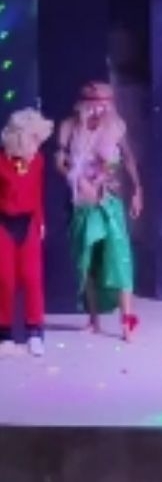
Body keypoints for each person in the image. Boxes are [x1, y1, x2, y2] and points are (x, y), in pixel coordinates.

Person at [55, 81, 143, 342]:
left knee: (119, 257)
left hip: (109, 200)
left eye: (105, 104)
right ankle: (93, 319)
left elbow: (126, 158)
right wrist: (77, 179)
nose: (99, 110)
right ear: (83, 105)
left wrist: (138, 190)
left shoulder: (116, 126)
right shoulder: (69, 127)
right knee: (87, 258)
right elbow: (60, 161)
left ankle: (128, 322)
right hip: (82, 201)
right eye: (94, 105)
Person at [0, 109, 53, 357]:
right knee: (5, 280)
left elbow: (37, 193)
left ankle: (35, 332)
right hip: (3, 223)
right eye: (34, 138)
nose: (38, 144)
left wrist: (40, 222)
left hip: (29, 223)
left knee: (32, 278)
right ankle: (5, 334)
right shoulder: (2, 161)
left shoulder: (38, 160)